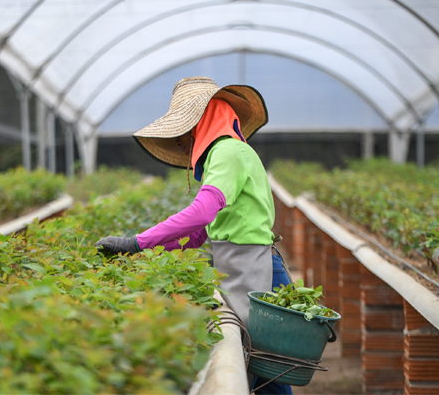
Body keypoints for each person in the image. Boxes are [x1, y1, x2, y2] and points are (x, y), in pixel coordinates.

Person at [96, 76, 293, 394]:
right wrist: (142, 252)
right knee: (265, 376)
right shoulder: (228, 153)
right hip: (250, 271)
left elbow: (202, 212)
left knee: (262, 375)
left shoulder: (228, 153)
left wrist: (138, 240)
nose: (181, 142)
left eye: (184, 131)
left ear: (202, 122)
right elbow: (202, 233)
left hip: (259, 276)